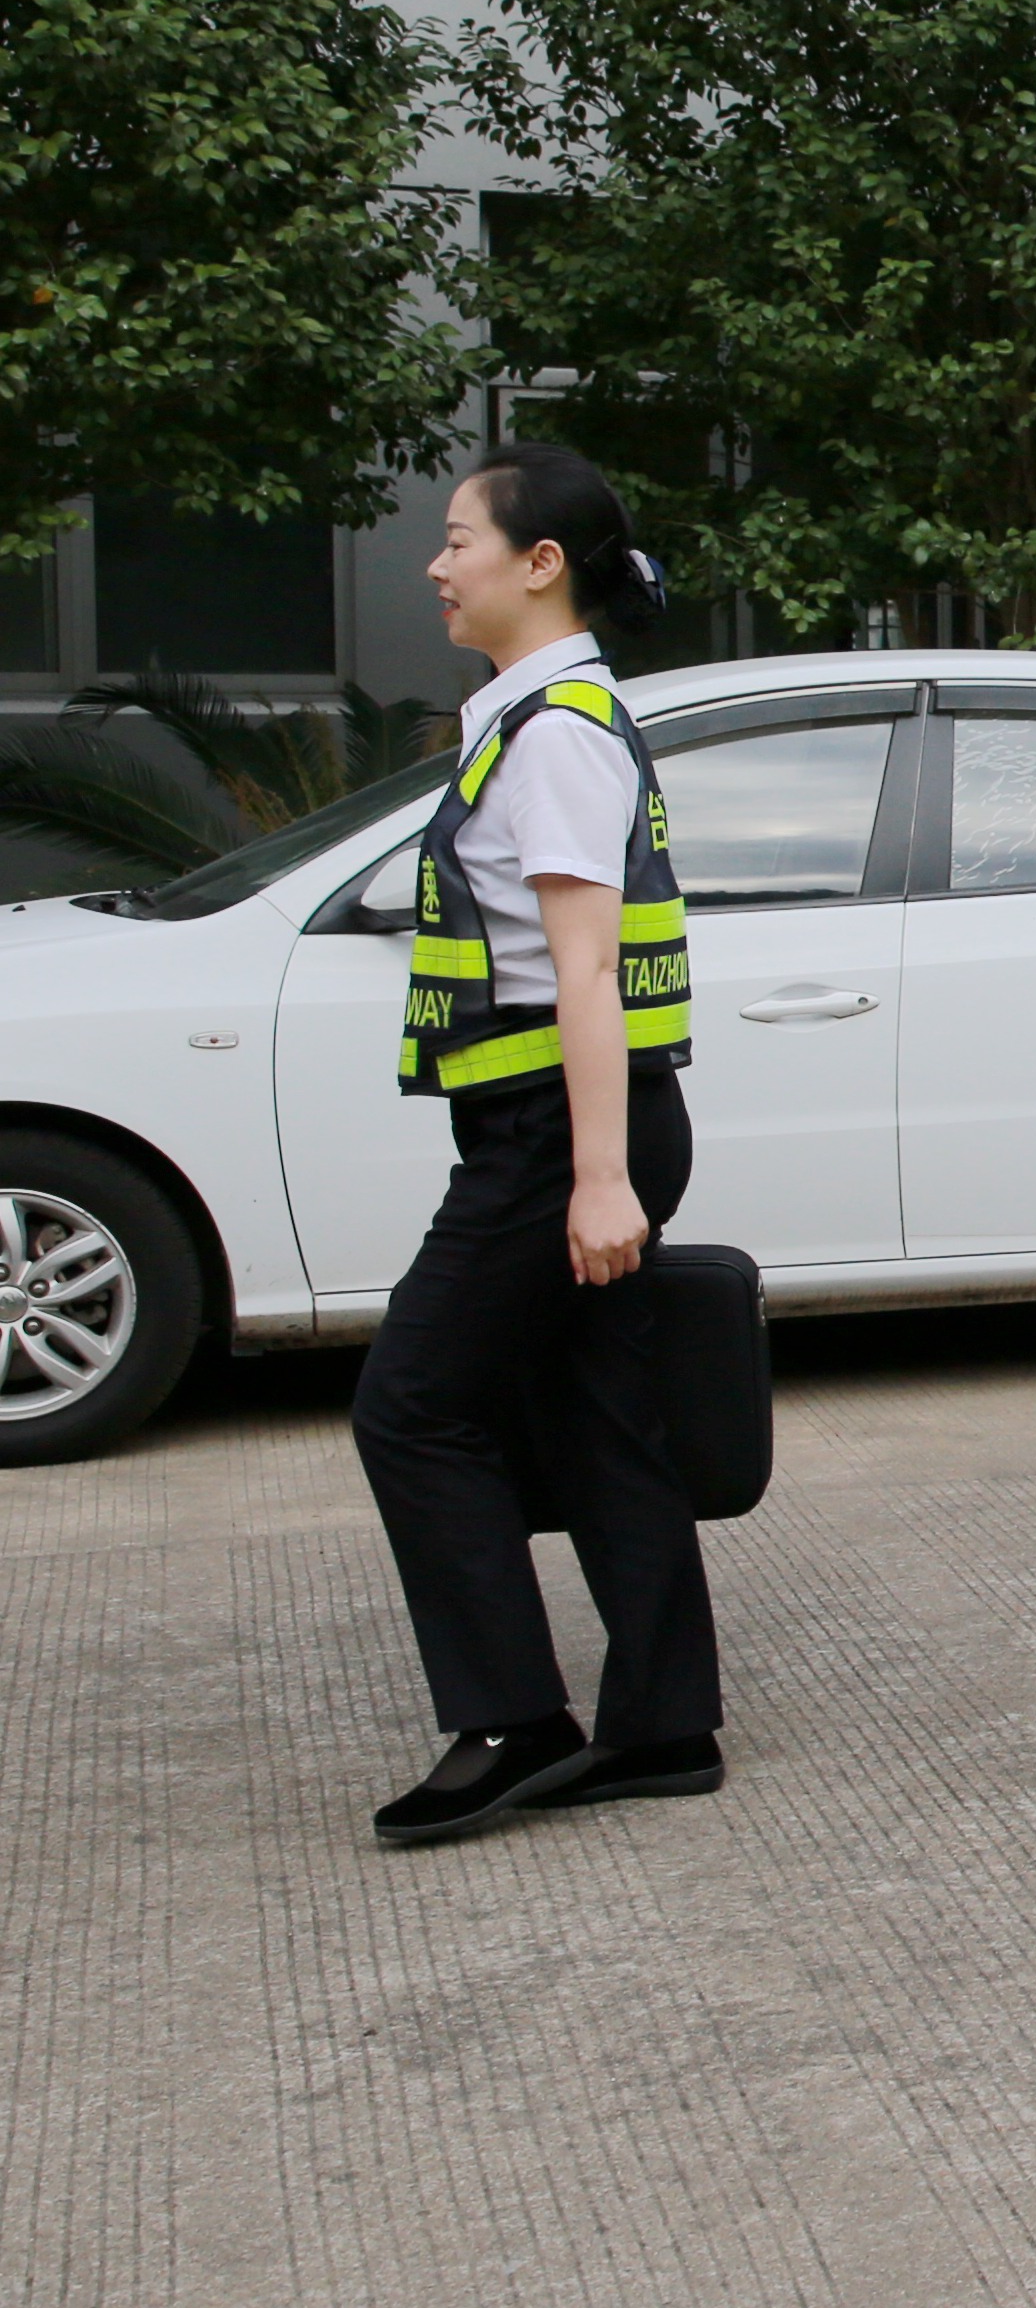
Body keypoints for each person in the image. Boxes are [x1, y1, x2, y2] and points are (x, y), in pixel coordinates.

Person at [351, 446, 726, 1847]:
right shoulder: (538, 716)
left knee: (410, 1403)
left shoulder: (556, 733)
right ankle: (663, 1725)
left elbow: (586, 971)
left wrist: (600, 1177)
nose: (438, 566)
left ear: (541, 563)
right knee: (597, 1411)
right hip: (567, 1129)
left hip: (561, 1137)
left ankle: (513, 1719)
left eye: (459, 540)